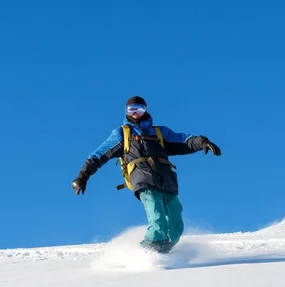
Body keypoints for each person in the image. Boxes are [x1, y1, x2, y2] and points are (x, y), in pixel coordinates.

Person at [71, 96, 221, 254]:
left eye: (139, 109)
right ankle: (141, 254)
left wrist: (202, 142)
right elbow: (98, 155)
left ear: (145, 110)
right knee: (157, 221)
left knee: (176, 227)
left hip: (166, 180)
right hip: (143, 179)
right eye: (131, 110)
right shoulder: (122, 133)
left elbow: (183, 139)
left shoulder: (159, 132)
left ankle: (162, 253)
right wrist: (83, 176)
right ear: (126, 112)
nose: (135, 113)